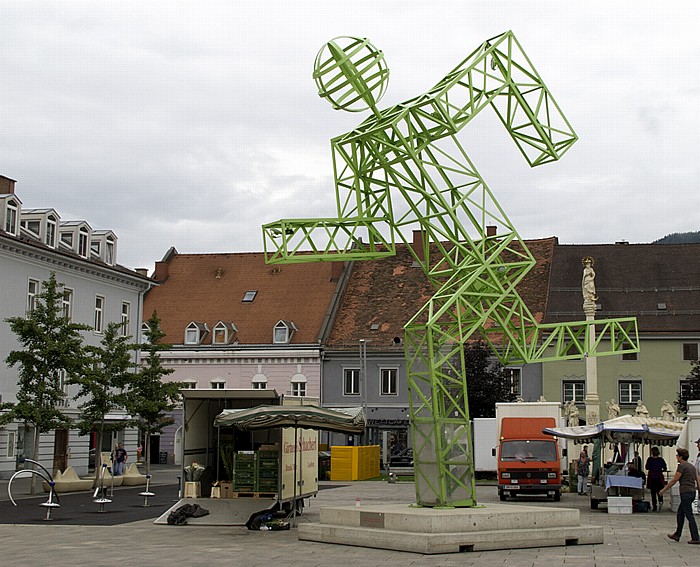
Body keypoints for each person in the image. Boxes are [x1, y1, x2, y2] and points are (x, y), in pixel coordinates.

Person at [659, 448, 700, 544]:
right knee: (680, 513)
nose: (676, 457)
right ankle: (677, 534)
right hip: (692, 491)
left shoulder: (681, 466)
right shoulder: (692, 467)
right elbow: (698, 479)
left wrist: (664, 490)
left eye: (677, 455)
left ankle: (696, 537)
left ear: (681, 456)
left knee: (689, 515)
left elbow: (674, 480)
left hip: (685, 492)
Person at [645, 446, 668, 512]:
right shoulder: (661, 460)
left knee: (653, 493)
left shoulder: (649, 459)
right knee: (660, 491)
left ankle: (654, 506)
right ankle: (660, 502)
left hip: (652, 477)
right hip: (659, 477)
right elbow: (665, 467)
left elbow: (646, 467)